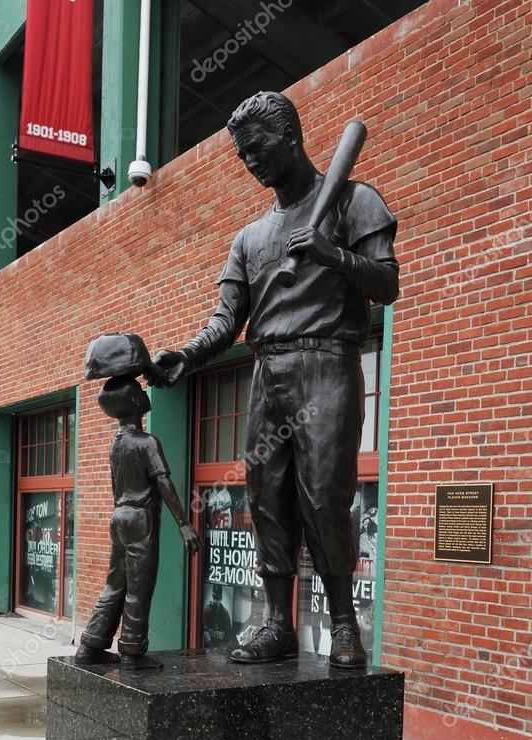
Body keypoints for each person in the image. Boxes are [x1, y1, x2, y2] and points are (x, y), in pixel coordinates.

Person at [147, 91, 399, 668]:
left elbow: (387, 286)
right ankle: (276, 624)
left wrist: (333, 255)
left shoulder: (354, 201)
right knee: (267, 500)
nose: (251, 162)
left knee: (325, 496)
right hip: (268, 370)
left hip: (328, 362)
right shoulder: (250, 239)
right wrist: (186, 357)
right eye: (242, 156)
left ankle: (342, 626)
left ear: (290, 138)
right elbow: (225, 322)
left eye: (257, 149)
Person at [75, 375, 201, 670]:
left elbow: (114, 484)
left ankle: (91, 644)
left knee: (115, 584)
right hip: (141, 518)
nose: (145, 393)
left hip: (120, 516)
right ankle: (133, 651)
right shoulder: (146, 442)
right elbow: (164, 484)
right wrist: (183, 523)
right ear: (134, 403)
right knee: (139, 587)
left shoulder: (116, 443)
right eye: (140, 391)